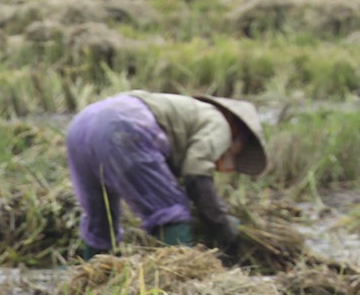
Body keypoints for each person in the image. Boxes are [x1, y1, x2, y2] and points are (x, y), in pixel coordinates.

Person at [64, 91, 268, 260]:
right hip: (123, 127)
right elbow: (196, 173)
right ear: (237, 129)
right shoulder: (219, 122)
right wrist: (221, 224)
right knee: (170, 210)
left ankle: (89, 286)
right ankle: (182, 282)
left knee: (100, 221)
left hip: (80, 126)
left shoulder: (188, 114)